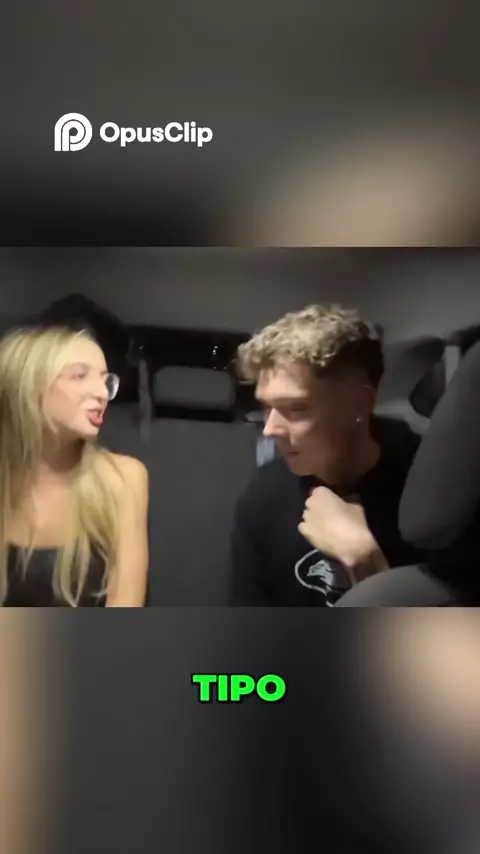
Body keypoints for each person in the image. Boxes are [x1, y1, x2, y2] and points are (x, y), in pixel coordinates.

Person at [229, 304, 425, 606]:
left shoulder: (436, 494)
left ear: (360, 405)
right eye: (267, 407)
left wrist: (365, 560)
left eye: (296, 408)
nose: (270, 430)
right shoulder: (264, 497)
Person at [0, 325, 149, 607]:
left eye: (106, 380)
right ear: (28, 386)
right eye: (80, 375)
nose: (102, 393)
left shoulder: (123, 478)